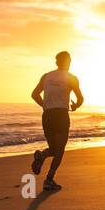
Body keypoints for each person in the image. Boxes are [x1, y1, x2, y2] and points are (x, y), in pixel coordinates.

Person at [30, 51, 83, 192]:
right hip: (60, 116)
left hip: (47, 115)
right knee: (59, 151)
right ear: (69, 62)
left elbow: (34, 94)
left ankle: (42, 155)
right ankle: (49, 179)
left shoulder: (46, 76)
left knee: (53, 149)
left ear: (56, 62)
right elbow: (81, 98)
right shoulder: (72, 78)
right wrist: (75, 106)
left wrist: (45, 106)